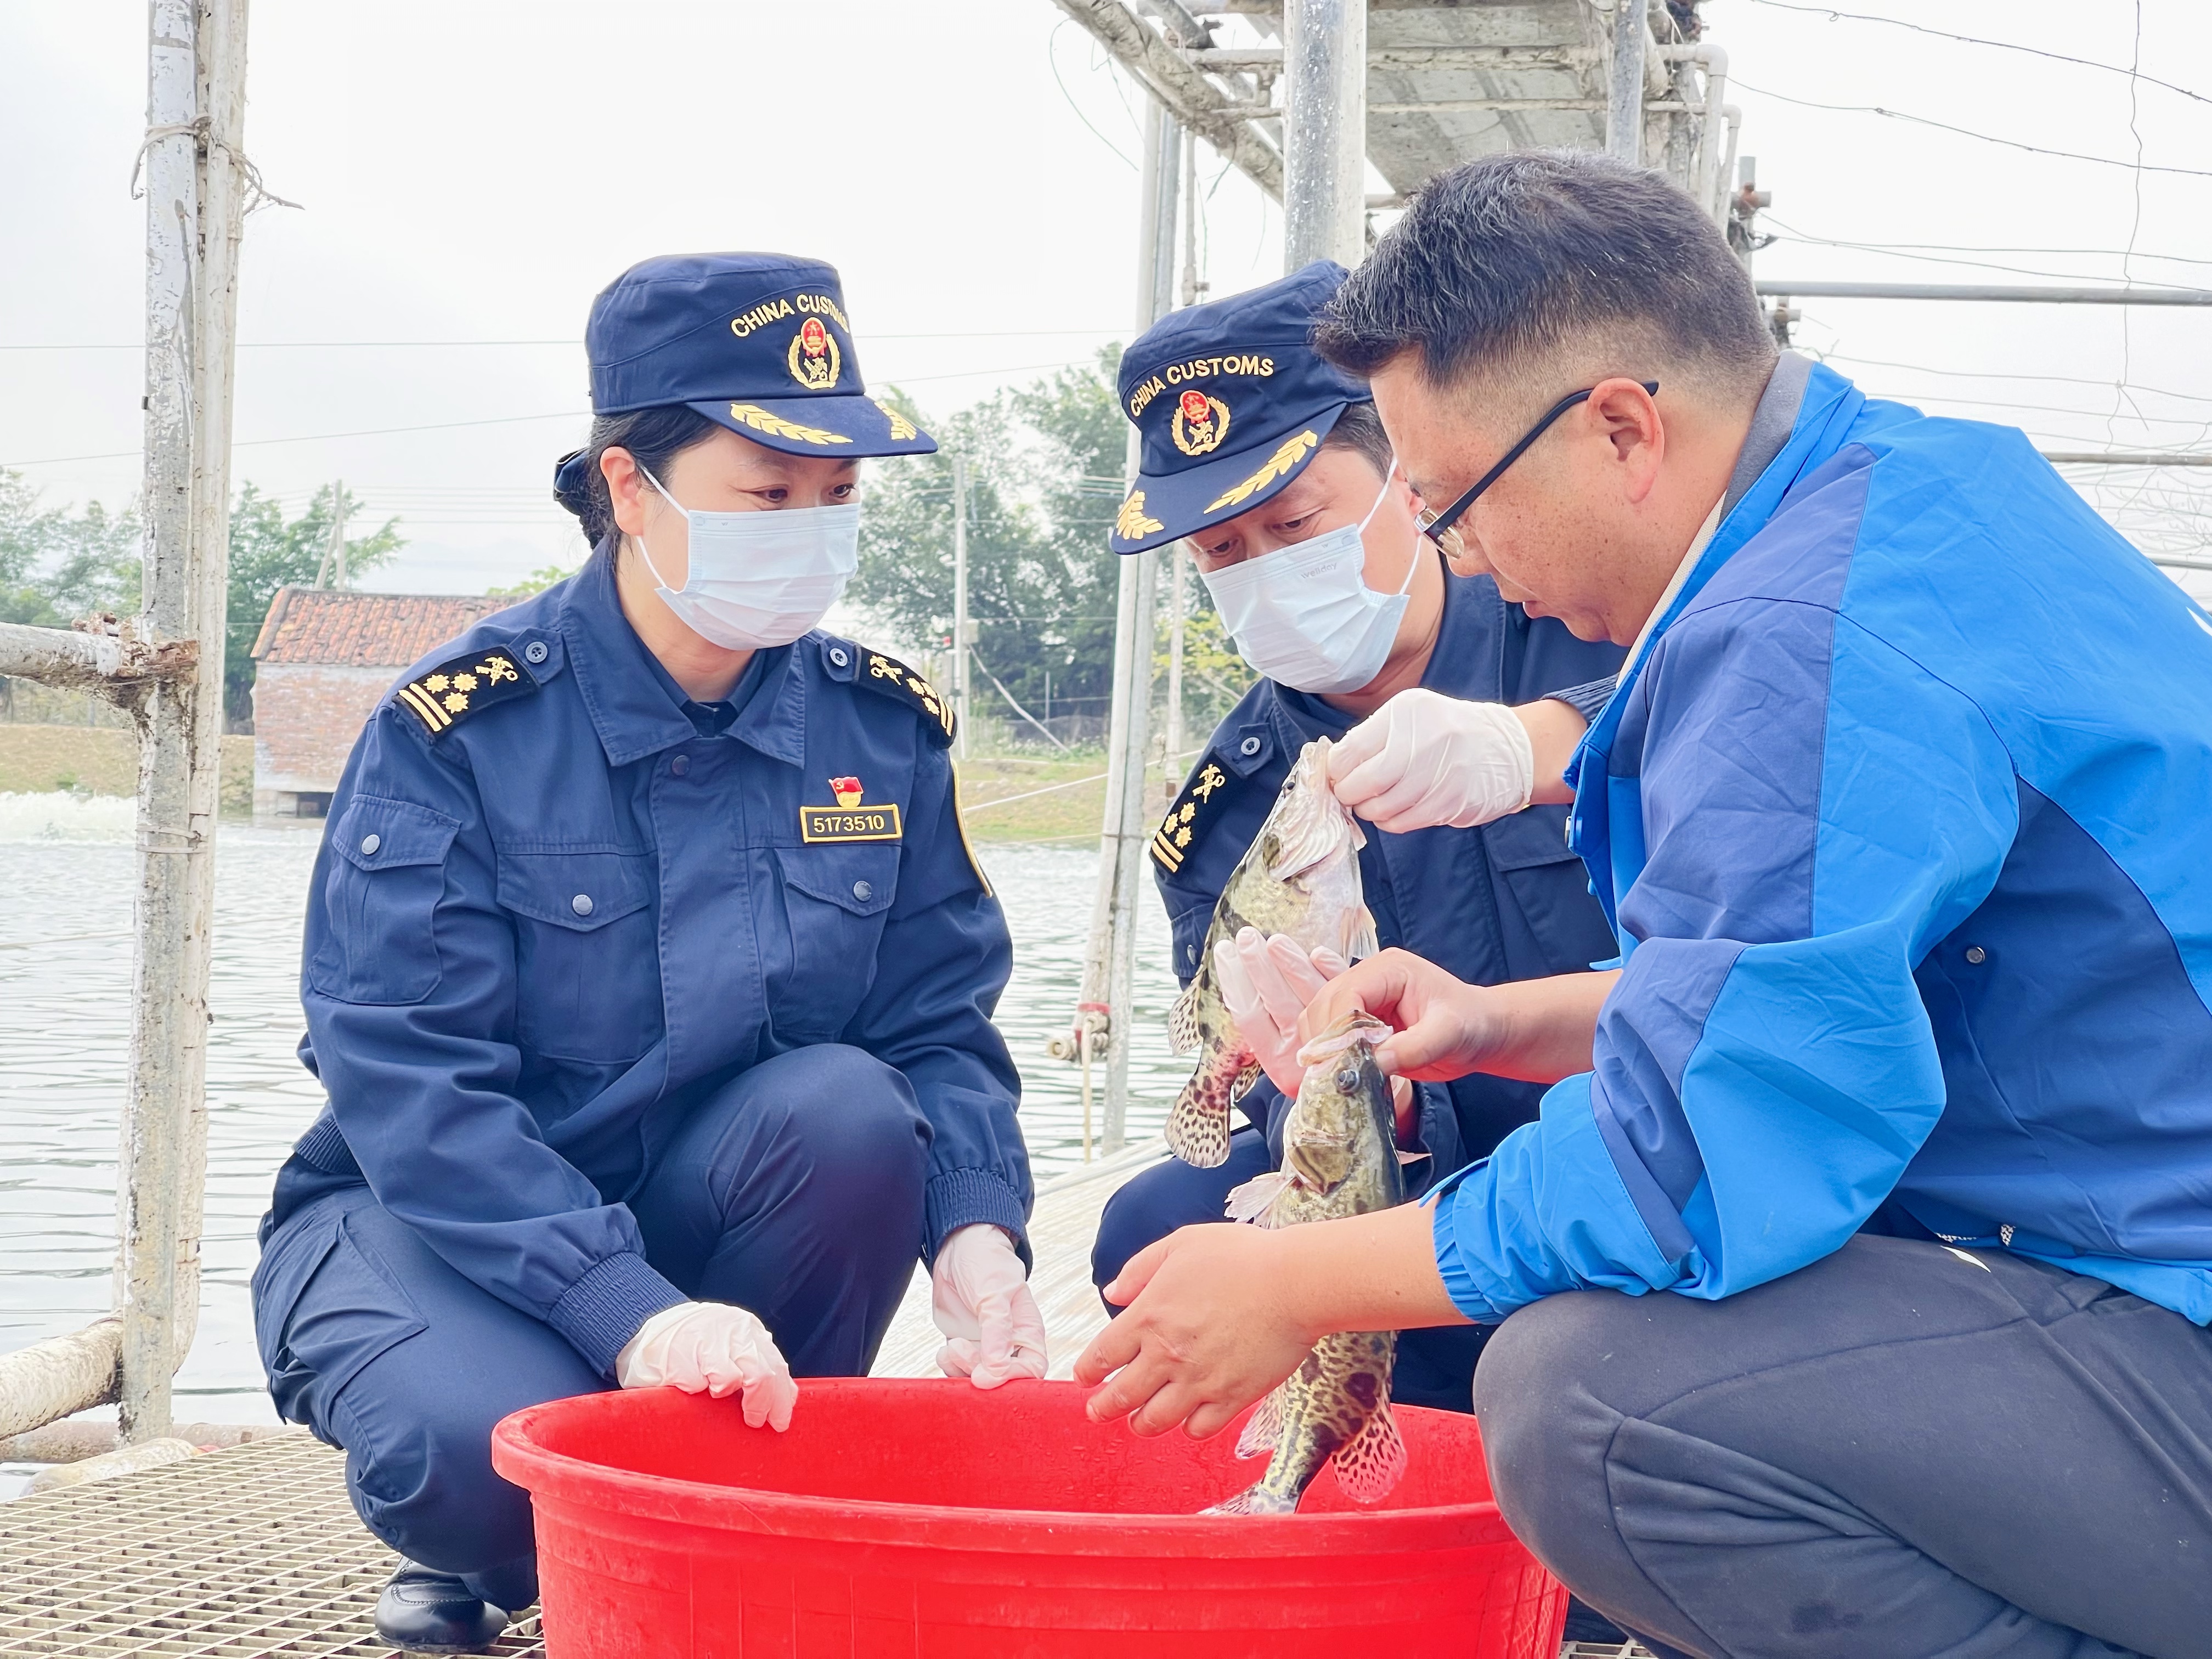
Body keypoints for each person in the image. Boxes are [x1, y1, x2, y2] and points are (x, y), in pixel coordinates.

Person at [1078, 151, 2212, 1659]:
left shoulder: (1791, 639)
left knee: (1589, 1404)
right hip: (2124, 1241)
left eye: (1456, 501)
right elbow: (1834, 989)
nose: (1458, 553)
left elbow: (1693, 1164)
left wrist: (1292, 1279)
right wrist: (1506, 1019)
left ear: (1620, 427)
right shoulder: (1910, 496)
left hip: (2164, 1308)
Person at [251, 253, 1046, 1654]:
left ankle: (737, 1506)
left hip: (722, 1204)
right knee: (482, 1464)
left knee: (858, 1111)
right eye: (769, 495)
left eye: (838, 498)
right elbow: (410, 1085)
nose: (811, 530)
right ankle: (488, 1554)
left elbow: (936, 1025)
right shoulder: (461, 730)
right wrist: (629, 1317)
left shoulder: (880, 732)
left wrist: (977, 1236)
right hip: (438, 1223)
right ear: (629, 488)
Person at [1091, 262, 1625, 1418]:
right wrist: (1331, 1104)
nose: (1265, 571)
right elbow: (1276, 1096)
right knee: (1154, 1236)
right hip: (1410, 1183)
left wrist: (1534, 746)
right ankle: (1359, 1503)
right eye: (1221, 555)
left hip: (1628, 1145)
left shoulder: (1579, 627)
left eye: (1294, 523)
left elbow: (1729, 731)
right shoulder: (1226, 812)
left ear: (1400, 478)